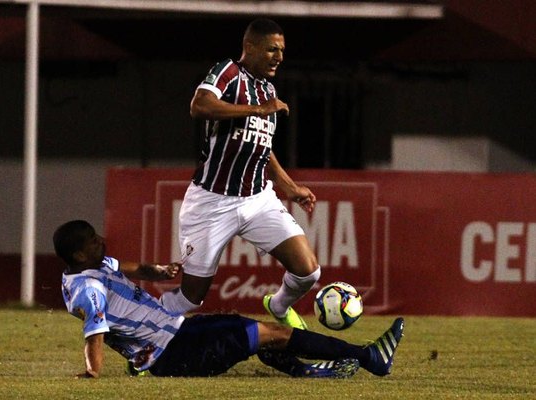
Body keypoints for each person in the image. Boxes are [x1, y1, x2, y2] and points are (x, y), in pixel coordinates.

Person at [53, 220, 405, 379]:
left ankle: (305, 369)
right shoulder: (89, 289)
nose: (101, 240)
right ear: (80, 257)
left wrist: (157, 271)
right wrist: (92, 372)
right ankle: (369, 356)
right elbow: (94, 332)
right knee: (270, 333)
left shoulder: (96, 268)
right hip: (175, 352)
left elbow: (130, 267)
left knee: (245, 326)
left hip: (177, 334)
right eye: (92, 241)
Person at [161, 18, 320, 330]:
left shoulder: (267, 89)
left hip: (257, 199)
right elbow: (200, 104)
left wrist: (288, 186)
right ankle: (143, 339)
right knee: (191, 298)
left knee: (308, 271)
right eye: (272, 49)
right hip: (211, 203)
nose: (279, 57)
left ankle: (277, 305)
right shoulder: (229, 72)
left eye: (282, 50)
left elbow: (261, 145)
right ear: (250, 47)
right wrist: (258, 110)